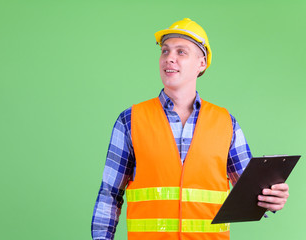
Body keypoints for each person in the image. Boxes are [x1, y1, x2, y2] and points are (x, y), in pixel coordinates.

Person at [91, 18, 289, 240]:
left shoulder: (226, 123)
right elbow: (110, 194)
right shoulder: (130, 120)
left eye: (181, 52)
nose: (170, 58)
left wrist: (272, 198)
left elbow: (251, 192)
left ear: (201, 63)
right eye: (165, 51)